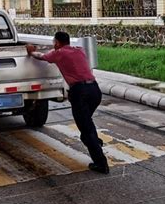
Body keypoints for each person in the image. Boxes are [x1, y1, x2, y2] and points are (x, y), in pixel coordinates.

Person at [26, 32, 109, 174]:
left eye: (54, 42)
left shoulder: (59, 53)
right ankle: (94, 141)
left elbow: (41, 57)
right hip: (95, 90)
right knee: (87, 122)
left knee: (86, 129)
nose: (53, 44)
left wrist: (32, 52)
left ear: (57, 43)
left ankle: (101, 163)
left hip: (80, 92)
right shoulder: (79, 50)